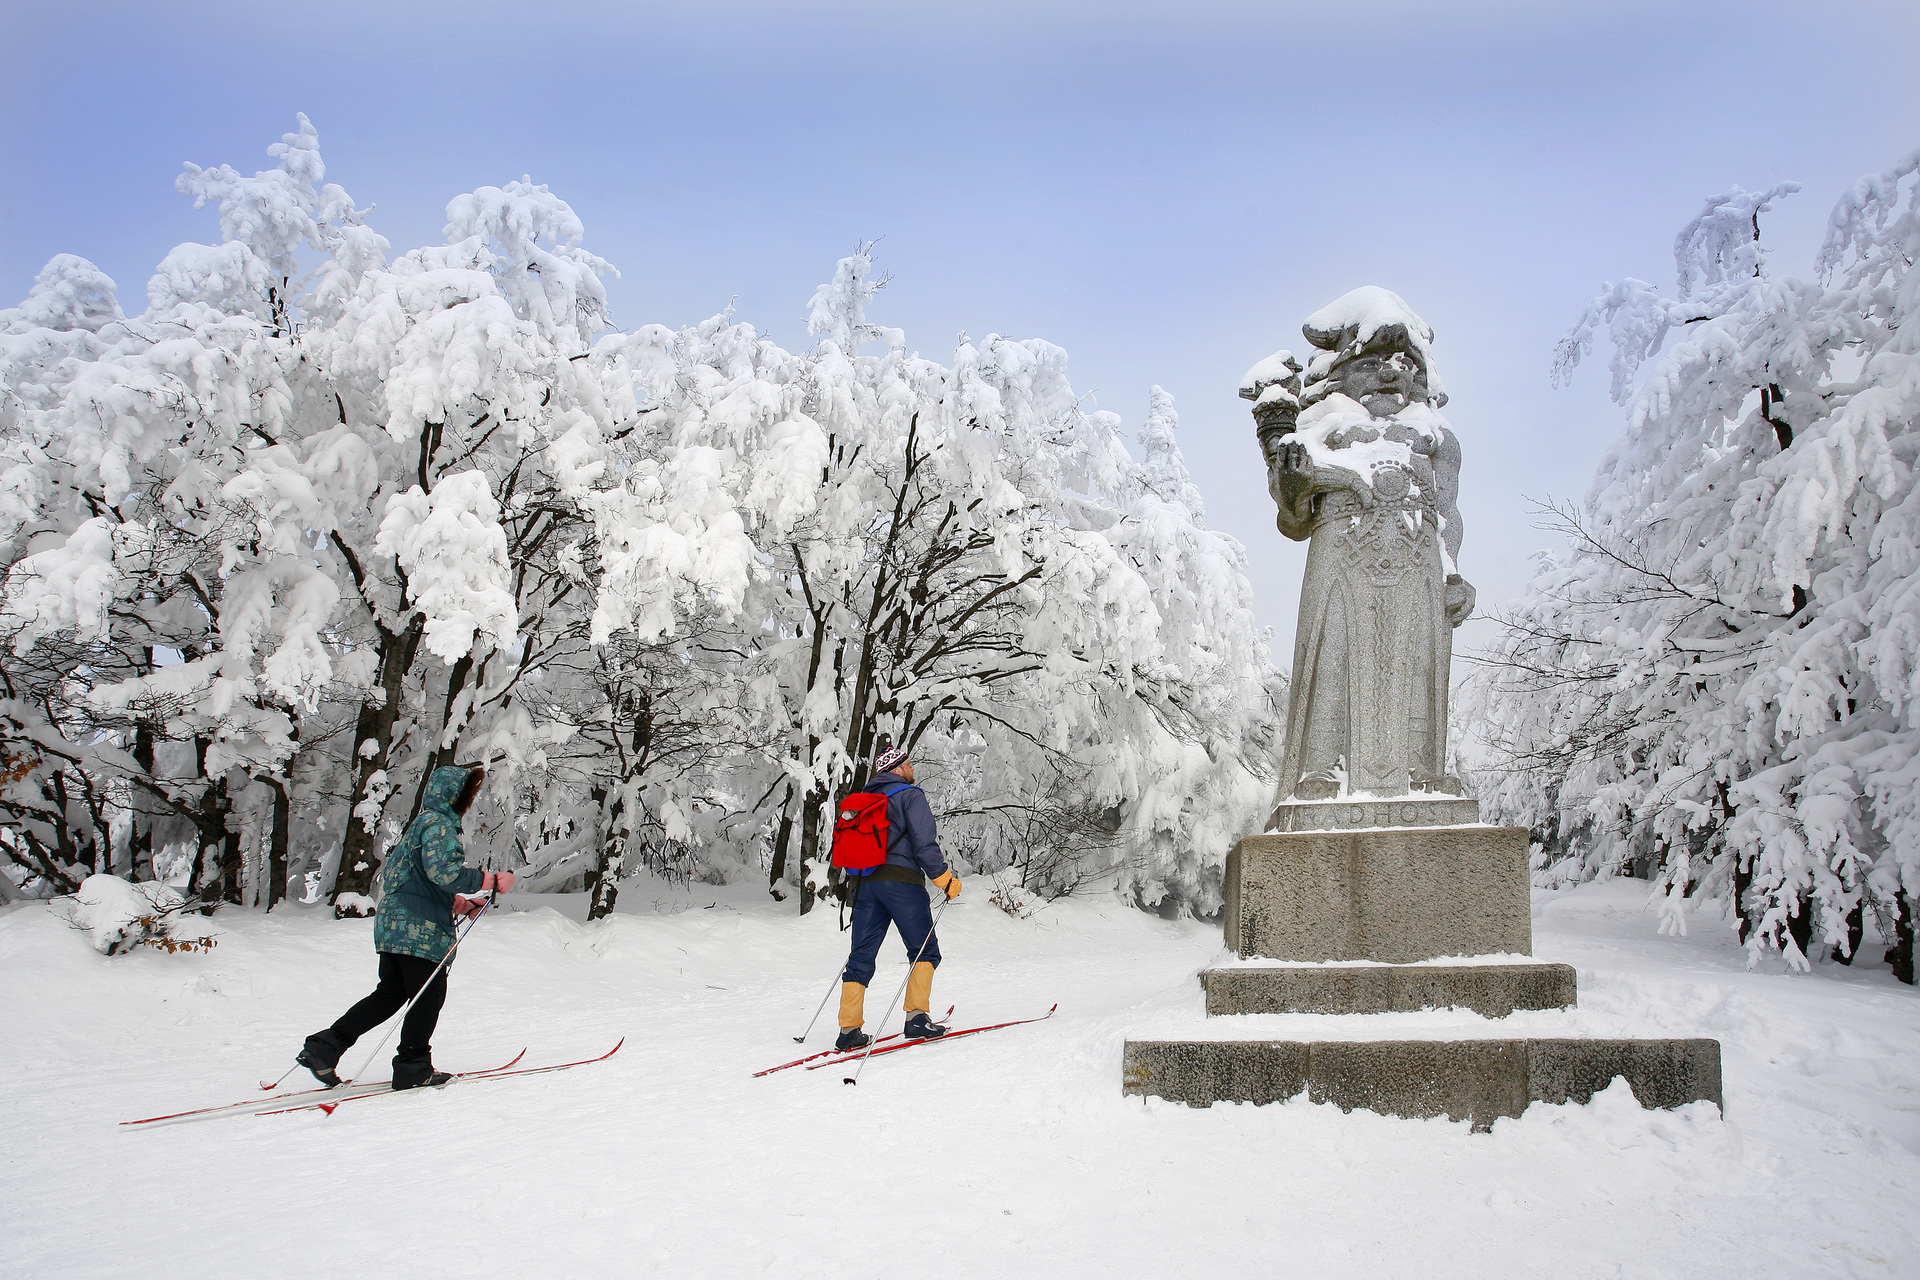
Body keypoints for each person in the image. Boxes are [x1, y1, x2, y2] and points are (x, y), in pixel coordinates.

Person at [296, 764, 513, 1090]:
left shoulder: (420, 825)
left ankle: (325, 1047)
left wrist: (460, 903)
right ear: (455, 797)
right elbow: (444, 872)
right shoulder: (439, 826)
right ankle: (413, 1066)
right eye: (467, 796)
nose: (468, 803)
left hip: (395, 923)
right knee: (427, 995)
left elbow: (415, 879)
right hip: (417, 928)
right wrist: (490, 880)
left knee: (391, 994)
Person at [836, 744, 961, 1052]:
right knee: (925, 952)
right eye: (908, 765)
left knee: (860, 956)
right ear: (896, 769)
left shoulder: (866, 801)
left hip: (866, 884)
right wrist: (944, 879)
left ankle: (849, 1029)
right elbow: (924, 843)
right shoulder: (910, 796)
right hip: (902, 884)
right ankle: (916, 1019)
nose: (912, 769)